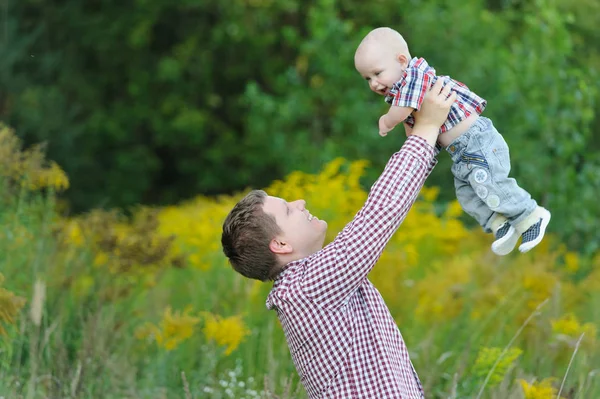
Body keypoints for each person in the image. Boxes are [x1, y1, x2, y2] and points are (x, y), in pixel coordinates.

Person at [221, 79, 455, 398]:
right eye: (289, 210)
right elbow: (380, 214)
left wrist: (423, 140)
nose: (300, 203)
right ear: (281, 245)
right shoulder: (307, 289)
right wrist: (426, 130)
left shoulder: (308, 286)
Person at [354, 27, 551, 255]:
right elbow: (416, 132)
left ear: (401, 60)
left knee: (492, 183)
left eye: (377, 73)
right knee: (467, 194)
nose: (374, 83)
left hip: (478, 141)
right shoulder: (403, 92)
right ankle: (501, 225)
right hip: (461, 154)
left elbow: (402, 111)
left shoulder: (414, 76)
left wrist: (387, 121)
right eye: (367, 78)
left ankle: (531, 216)